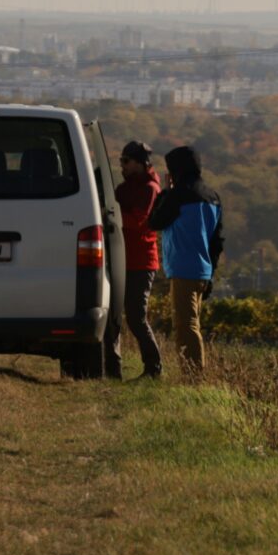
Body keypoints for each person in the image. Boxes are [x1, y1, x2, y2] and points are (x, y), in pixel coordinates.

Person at [148, 145, 224, 376]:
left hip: (183, 268)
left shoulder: (177, 196)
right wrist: (211, 273)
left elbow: (155, 222)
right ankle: (191, 372)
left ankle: (193, 376)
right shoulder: (213, 197)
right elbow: (217, 240)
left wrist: (163, 194)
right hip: (203, 269)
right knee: (192, 322)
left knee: (186, 325)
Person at [108, 140, 165, 381]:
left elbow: (138, 221)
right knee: (112, 316)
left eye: (125, 161)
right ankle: (112, 369)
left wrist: (112, 215)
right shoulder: (126, 187)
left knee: (135, 317)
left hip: (141, 261)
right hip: (121, 257)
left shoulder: (150, 188)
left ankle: (153, 369)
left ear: (140, 164)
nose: (121, 165)